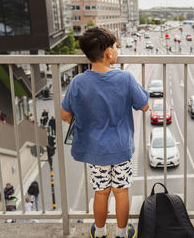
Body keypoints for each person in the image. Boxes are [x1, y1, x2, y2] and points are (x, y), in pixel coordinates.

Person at [61, 27, 149, 238]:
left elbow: (65, 115)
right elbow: (144, 105)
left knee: (101, 192)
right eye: (116, 47)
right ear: (109, 53)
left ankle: (99, 232)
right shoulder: (125, 78)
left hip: (95, 150)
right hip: (121, 148)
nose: (117, 50)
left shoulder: (78, 82)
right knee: (121, 191)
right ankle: (122, 232)